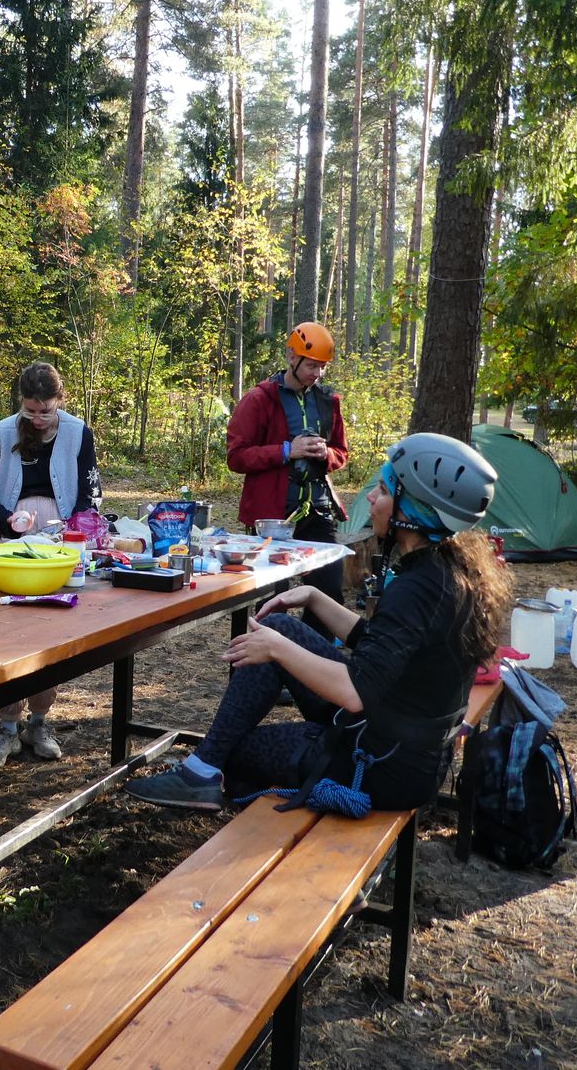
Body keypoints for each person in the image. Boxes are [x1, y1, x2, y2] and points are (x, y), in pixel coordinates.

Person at [126, 433, 510, 814]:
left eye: (382, 490)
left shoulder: (417, 588)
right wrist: (315, 598)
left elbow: (356, 691)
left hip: (384, 766)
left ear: (413, 511)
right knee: (281, 626)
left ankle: (211, 780)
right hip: (404, 745)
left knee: (238, 751)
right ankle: (201, 771)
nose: (372, 500)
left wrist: (276, 649)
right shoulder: (446, 570)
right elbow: (382, 650)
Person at [0, 362, 101, 767]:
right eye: (31, 411)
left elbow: (90, 492)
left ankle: (39, 721)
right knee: (9, 636)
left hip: (62, 545)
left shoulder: (79, 433)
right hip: (13, 544)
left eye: (46, 411)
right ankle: (7, 726)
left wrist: (72, 531)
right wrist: (7, 521)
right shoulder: (3, 431)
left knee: (49, 636)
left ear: (59, 401)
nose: (39, 419)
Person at [226, 322, 350, 618]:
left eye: (322, 367)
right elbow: (236, 457)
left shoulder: (328, 401)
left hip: (318, 511)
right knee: (273, 598)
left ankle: (315, 659)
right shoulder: (260, 399)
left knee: (329, 595)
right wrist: (285, 451)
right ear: (292, 358)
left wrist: (326, 454)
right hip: (273, 515)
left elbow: (341, 453)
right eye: (311, 365)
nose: (317, 374)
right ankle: (267, 657)